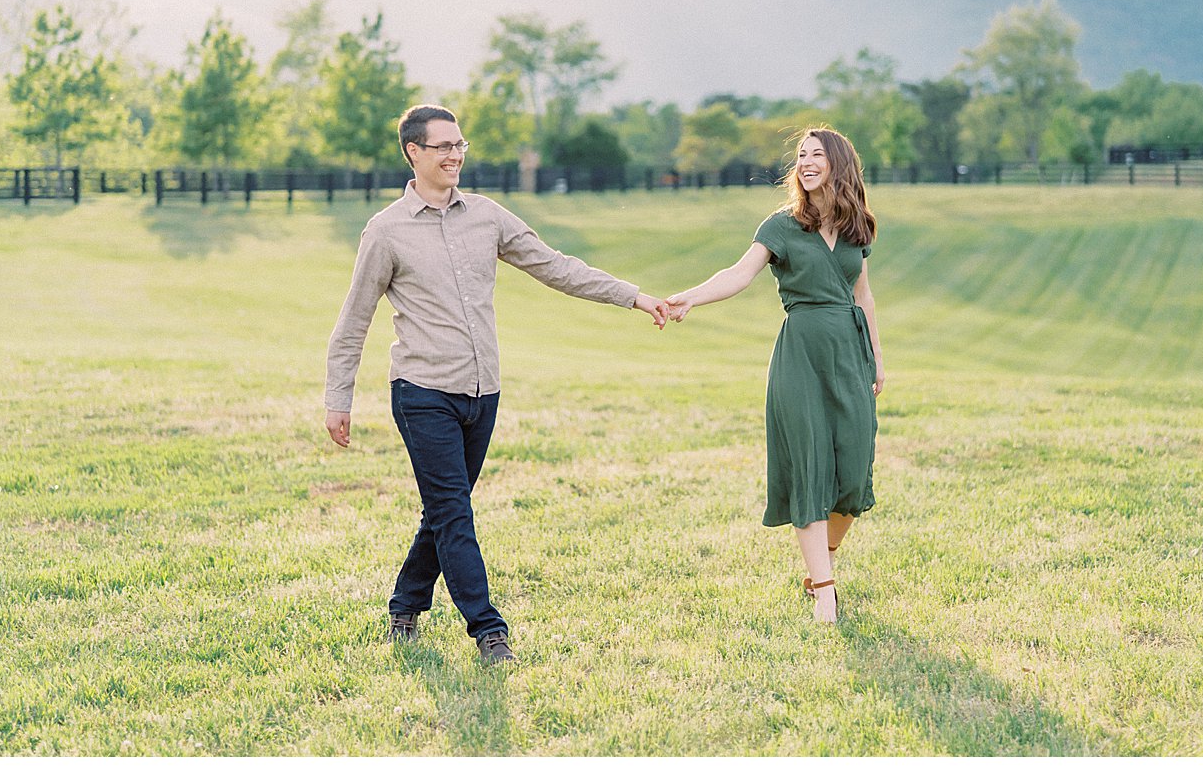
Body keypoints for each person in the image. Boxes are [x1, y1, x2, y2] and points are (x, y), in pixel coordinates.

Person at [324, 104, 670, 663]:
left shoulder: (486, 215)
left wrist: (634, 295)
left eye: (460, 145)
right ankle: (488, 630)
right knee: (455, 512)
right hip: (422, 392)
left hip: (483, 392)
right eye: (443, 146)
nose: (456, 155)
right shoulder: (385, 232)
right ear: (414, 152)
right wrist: (338, 399)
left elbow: (556, 266)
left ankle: (405, 604)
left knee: (443, 509)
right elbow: (353, 320)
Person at [665, 127, 883, 624]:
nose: (806, 163)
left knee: (853, 472)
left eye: (817, 155)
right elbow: (738, 275)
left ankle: (818, 565)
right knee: (808, 466)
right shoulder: (782, 226)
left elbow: (862, 295)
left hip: (850, 355)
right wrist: (689, 298)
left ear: (839, 163)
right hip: (800, 356)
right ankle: (824, 592)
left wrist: (877, 354)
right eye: (801, 156)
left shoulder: (856, 226)